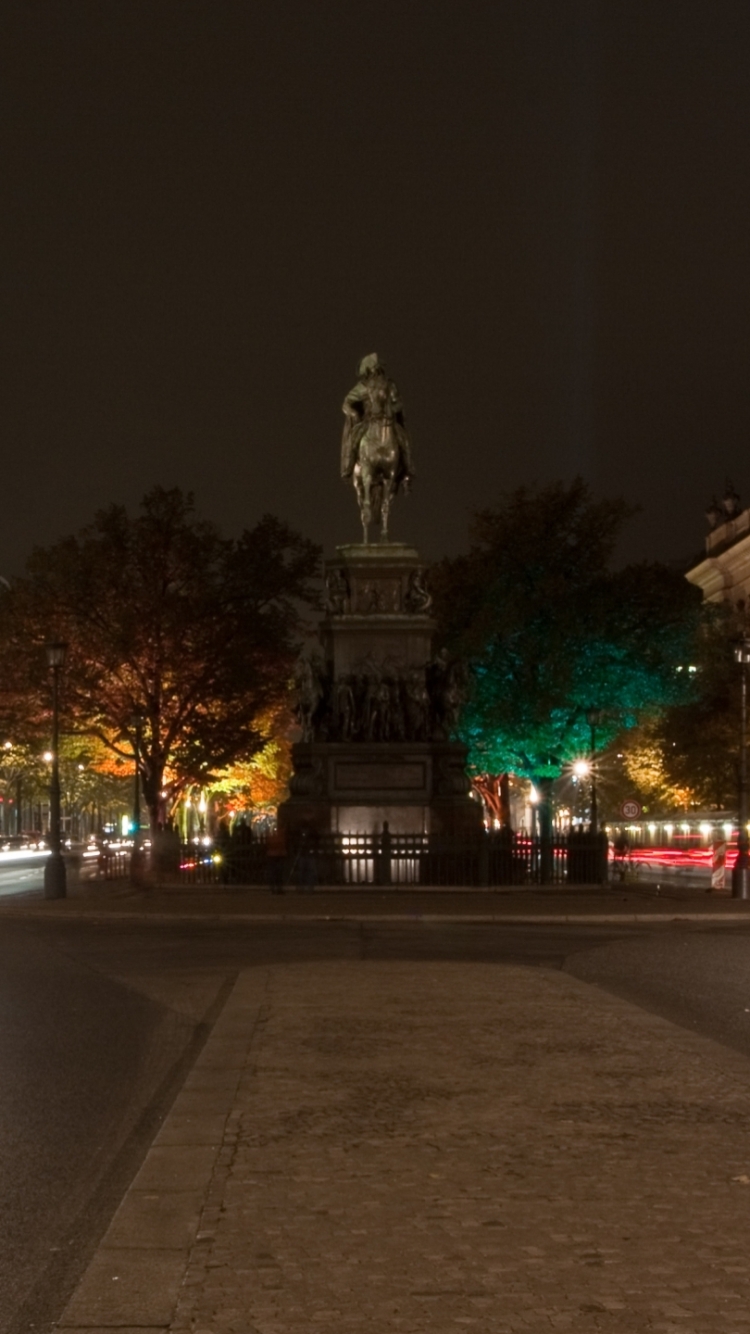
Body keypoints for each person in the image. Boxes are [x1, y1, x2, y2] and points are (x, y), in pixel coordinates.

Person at [266, 825, 287, 894]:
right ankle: (276, 888)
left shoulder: (275, 838)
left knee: (276, 873)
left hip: (276, 856)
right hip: (276, 856)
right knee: (276, 873)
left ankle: (275, 888)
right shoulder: (279, 838)